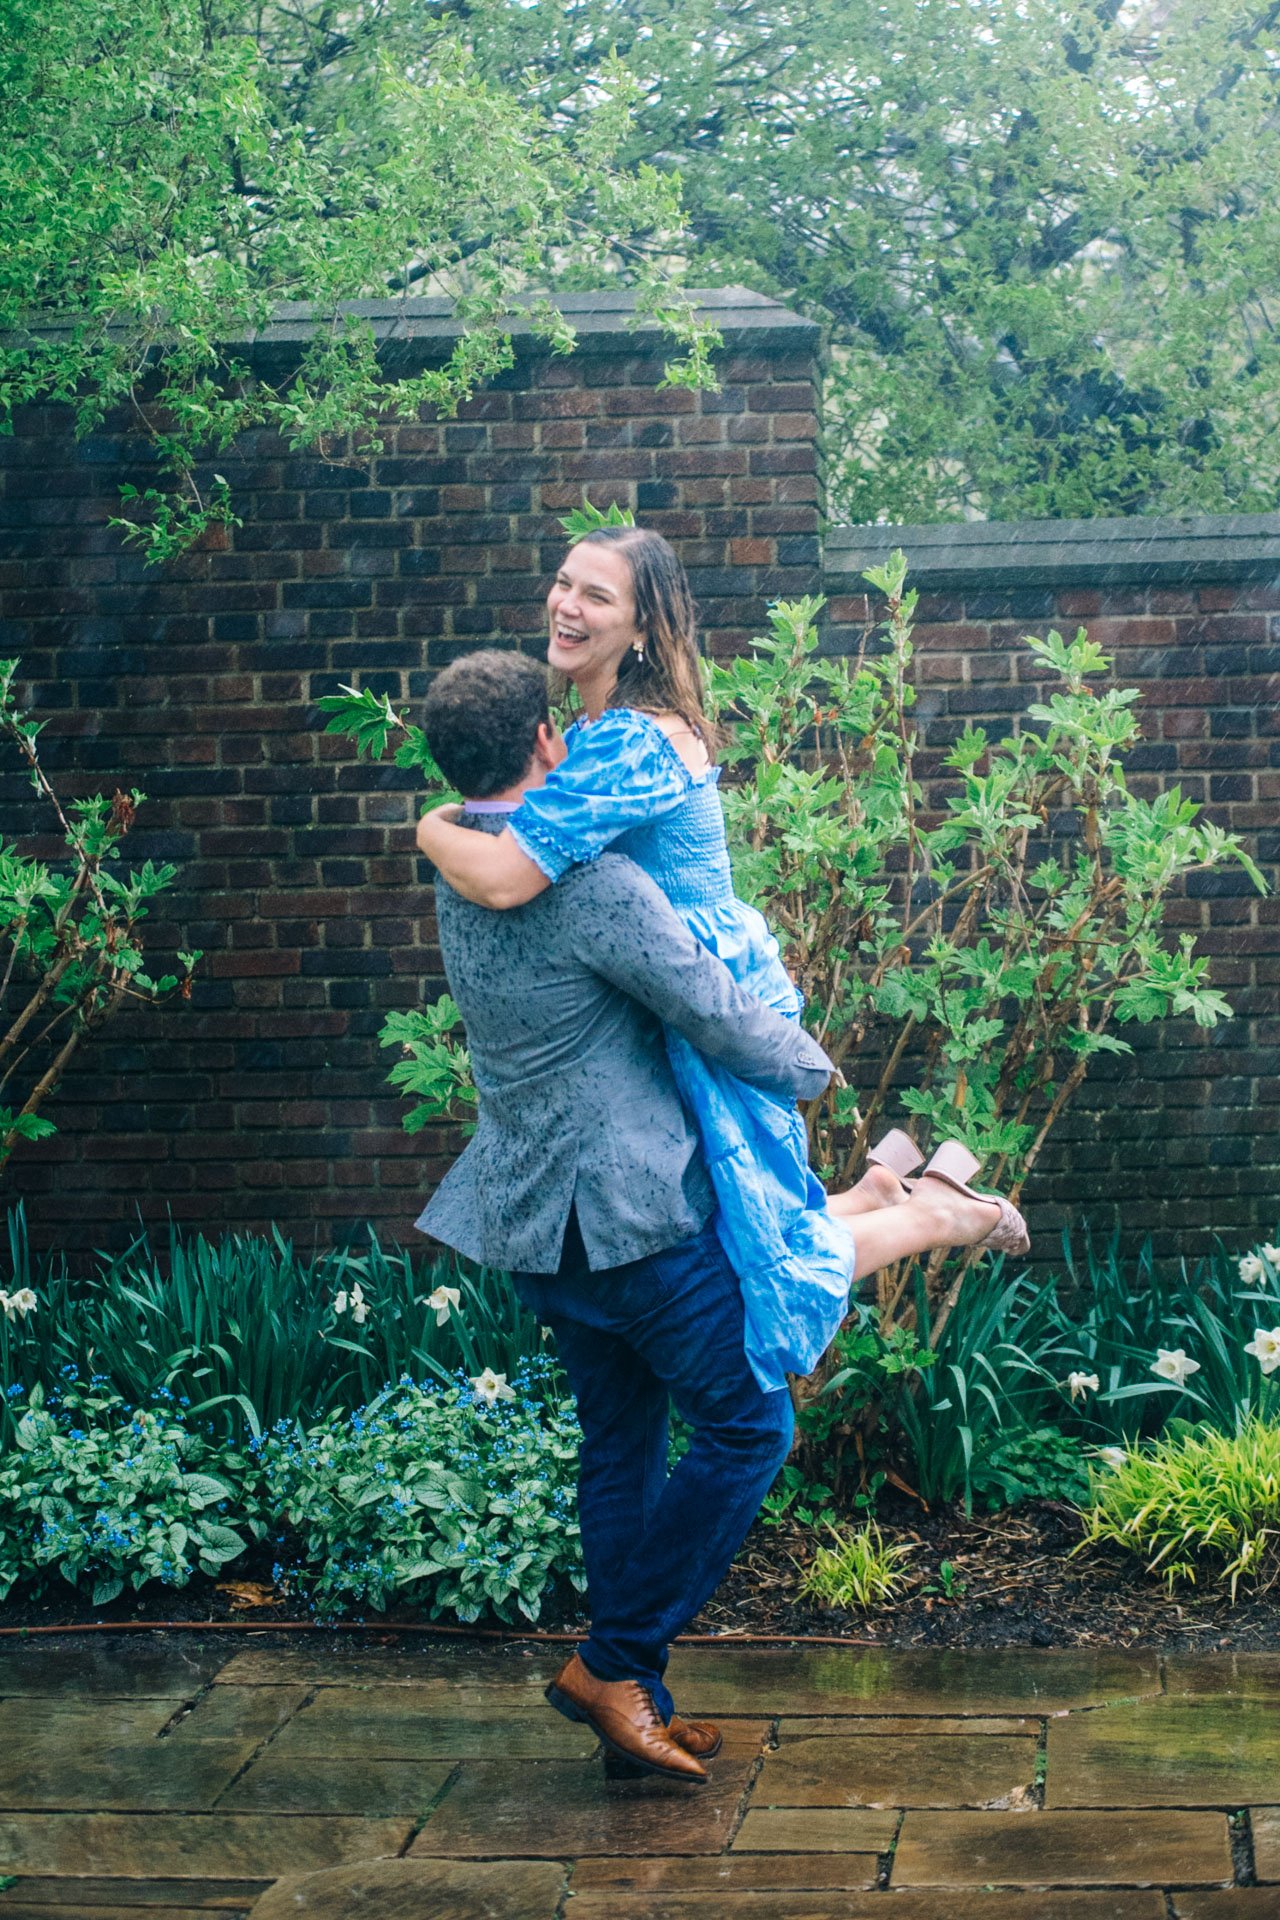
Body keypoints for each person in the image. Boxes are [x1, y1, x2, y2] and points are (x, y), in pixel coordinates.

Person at [415, 650, 1028, 1785]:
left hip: (533, 1227)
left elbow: (458, 832)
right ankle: (613, 1665)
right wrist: (809, 1069)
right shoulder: (590, 883)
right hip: (630, 1222)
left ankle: (630, 1712)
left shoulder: (456, 863)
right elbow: (709, 1008)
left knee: (622, 1447)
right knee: (751, 1430)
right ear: (549, 742)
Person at [417, 525, 1024, 1395]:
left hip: (705, 993)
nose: (567, 605)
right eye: (562, 583)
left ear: (642, 627)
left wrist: (431, 827)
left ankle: (934, 1217)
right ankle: (886, 1197)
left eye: (597, 595)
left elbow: (511, 878)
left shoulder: (630, 740)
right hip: (655, 989)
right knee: (750, 1216)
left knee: (757, 1252)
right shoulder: (594, 729)